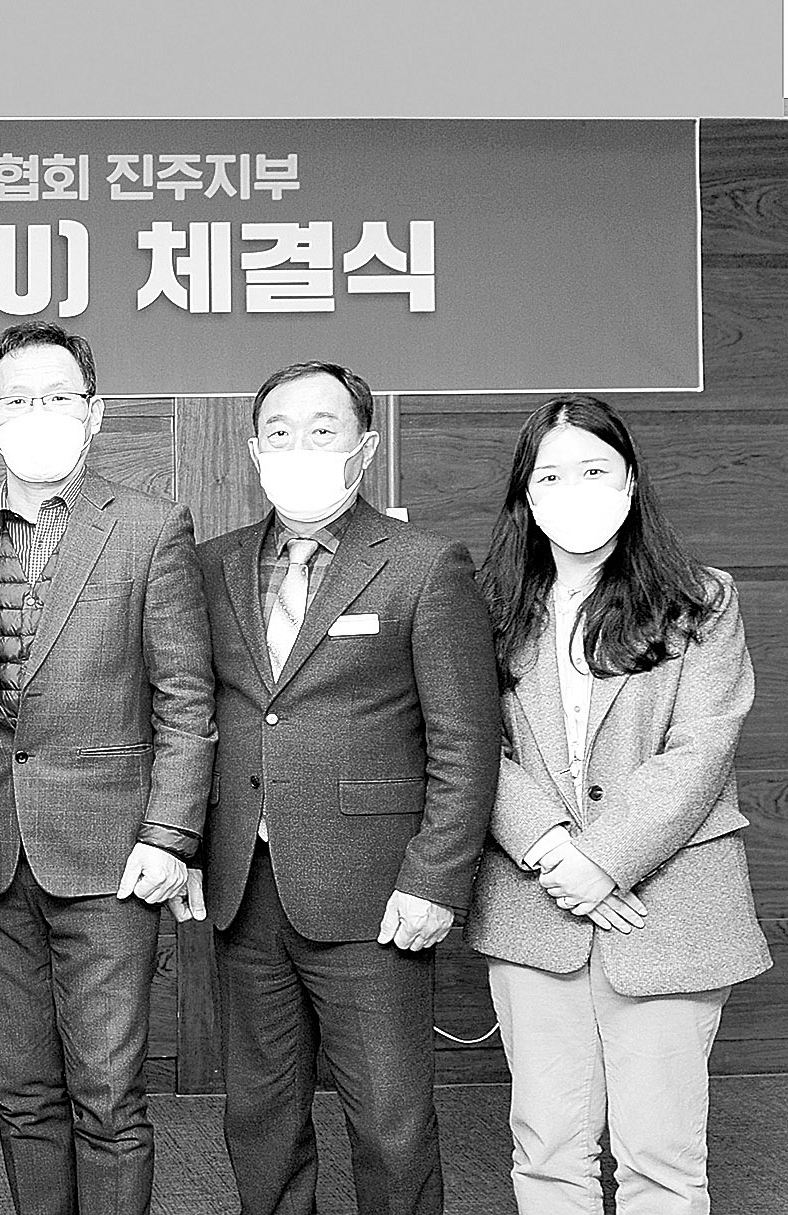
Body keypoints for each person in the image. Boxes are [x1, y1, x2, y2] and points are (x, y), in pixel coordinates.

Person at [0, 320, 215, 1215]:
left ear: (95, 411)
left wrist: (170, 835)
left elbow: (185, 697)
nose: (36, 413)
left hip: (114, 853)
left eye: (57, 396)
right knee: (21, 1093)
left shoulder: (152, 526)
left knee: (110, 1096)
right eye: (16, 399)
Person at [190, 360, 500, 1215]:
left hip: (377, 893)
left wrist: (436, 880)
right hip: (245, 886)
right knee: (259, 1118)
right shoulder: (212, 566)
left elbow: (465, 741)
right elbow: (201, 712)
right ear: (254, 450)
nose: (300, 447)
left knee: (391, 1126)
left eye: (323, 430)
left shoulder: (425, 566)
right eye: (280, 432)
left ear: (365, 447)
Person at [467, 394, 771, 1213]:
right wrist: (553, 851)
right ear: (526, 495)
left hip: (670, 906)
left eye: (595, 470)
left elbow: (702, 748)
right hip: (535, 901)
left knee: (661, 1158)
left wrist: (601, 859)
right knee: (548, 1151)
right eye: (551, 475)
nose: (575, 490)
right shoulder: (483, 608)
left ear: (631, 481)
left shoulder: (701, 600)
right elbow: (467, 744)